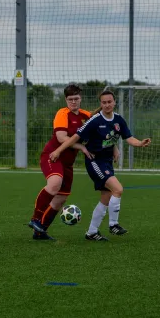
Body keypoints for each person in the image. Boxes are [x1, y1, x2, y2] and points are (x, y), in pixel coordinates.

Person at [50, 90, 151, 241]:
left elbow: (129, 138)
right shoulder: (95, 121)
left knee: (107, 195)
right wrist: (58, 151)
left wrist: (140, 143)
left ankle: (91, 232)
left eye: (109, 102)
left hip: (107, 162)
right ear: (101, 104)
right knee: (118, 189)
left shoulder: (118, 120)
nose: (107, 105)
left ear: (114, 102)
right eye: (104, 102)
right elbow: (74, 138)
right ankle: (113, 224)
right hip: (94, 161)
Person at [28, 83, 96, 240]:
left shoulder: (86, 115)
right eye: (70, 99)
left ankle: (40, 231)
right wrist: (81, 147)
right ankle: (35, 219)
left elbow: (99, 125)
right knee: (54, 183)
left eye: (76, 99)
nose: (73, 102)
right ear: (66, 100)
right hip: (53, 155)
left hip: (68, 163)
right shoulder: (62, 113)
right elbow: (61, 137)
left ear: (81, 99)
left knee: (61, 198)